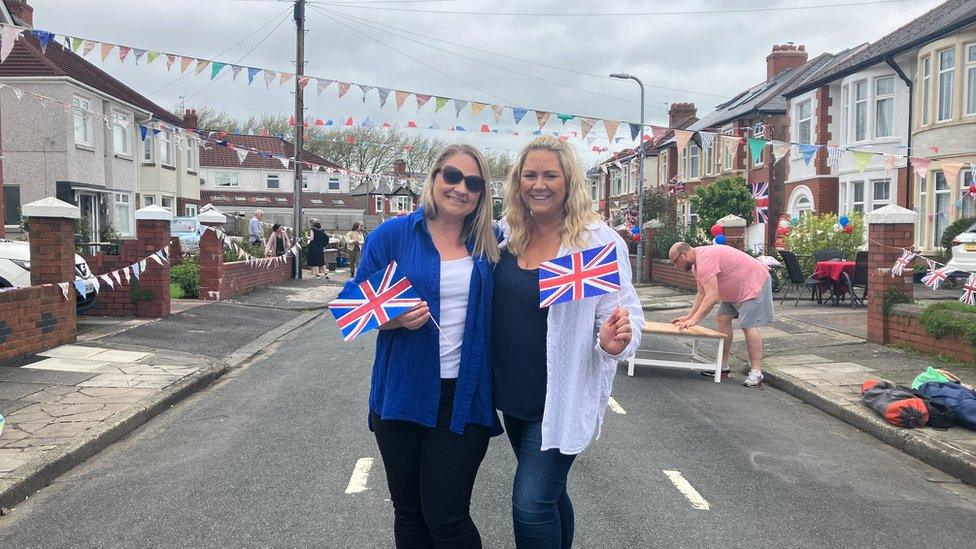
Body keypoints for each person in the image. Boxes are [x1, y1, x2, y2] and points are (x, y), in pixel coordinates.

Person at [494, 135, 643, 548]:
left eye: (549, 175)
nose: (538, 184)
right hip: (514, 394)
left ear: (568, 181)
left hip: (562, 394)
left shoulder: (594, 242)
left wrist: (615, 343)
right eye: (530, 175)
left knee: (530, 504)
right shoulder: (507, 234)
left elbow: (623, 313)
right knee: (550, 495)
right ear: (517, 182)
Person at [349, 144, 501, 548]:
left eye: (473, 182)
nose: (460, 189)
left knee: (447, 515)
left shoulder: (493, 241)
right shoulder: (392, 235)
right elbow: (352, 305)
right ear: (433, 178)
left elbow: (536, 272)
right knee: (410, 513)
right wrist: (391, 317)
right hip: (401, 393)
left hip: (463, 398)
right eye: (451, 176)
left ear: (483, 193)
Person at [668, 241, 774, 388]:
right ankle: (722, 366)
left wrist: (695, 320)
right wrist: (689, 317)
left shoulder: (705, 260)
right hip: (733, 290)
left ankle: (756, 371)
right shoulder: (696, 265)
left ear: (684, 255)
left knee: (748, 325)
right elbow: (702, 293)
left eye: (675, 261)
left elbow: (712, 296)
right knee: (722, 318)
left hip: (753, 284)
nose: (675, 266)